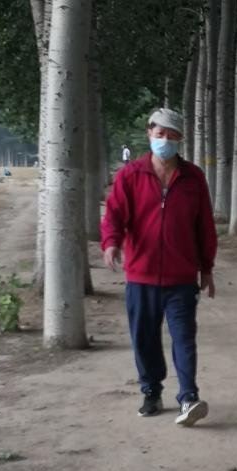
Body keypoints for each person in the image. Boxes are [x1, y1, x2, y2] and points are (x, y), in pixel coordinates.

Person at [100, 108, 217, 426]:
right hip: (141, 276)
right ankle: (151, 392)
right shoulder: (131, 175)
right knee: (145, 338)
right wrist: (111, 242)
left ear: (180, 139)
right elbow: (114, 214)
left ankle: (188, 398)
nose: (165, 140)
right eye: (159, 133)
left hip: (181, 277)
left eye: (172, 135)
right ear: (149, 133)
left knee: (184, 337)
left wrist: (206, 269)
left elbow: (204, 226)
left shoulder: (193, 178)